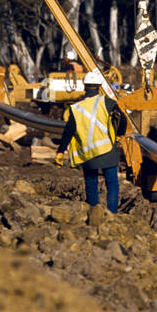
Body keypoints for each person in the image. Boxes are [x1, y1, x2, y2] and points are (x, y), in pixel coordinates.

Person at [56, 70, 128, 213]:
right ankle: (112, 213)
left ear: (84, 87)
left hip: (88, 154)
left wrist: (60, 150)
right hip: (107, 150)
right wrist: (120, 134)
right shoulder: (108, 102)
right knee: (112, 183)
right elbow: (123, 119)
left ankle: (93, 211)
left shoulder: (76, 108)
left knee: (91, 182)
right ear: (99, 86)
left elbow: (68, 131)